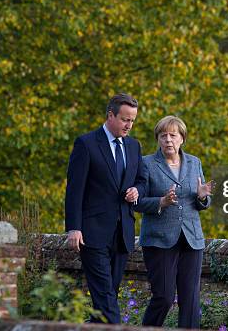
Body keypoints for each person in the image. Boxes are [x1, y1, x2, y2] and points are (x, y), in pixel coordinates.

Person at [65, 93, 146, 324]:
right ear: (110, 115)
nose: (129, 125)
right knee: (106, 297)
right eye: (125, 119)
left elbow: (142, 179)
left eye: (132, 120)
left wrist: (137, 190)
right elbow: (74, 190)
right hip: (92, 233)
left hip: (122, 235)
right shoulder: (86, 143)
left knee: (106, 300)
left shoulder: (134, 146)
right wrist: (74, 228)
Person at [135, 115, 213, 329]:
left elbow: (202, 202)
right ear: (158, 139)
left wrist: (202, 196)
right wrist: (161, 201)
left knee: (190, 299)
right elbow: (136, 202)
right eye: (163, 136)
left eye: (173, 135)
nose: (168, 140)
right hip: (159, 239)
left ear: (182, 139)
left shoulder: (195, 162)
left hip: (191, 239)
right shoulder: (145, 164)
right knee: (164, 297)